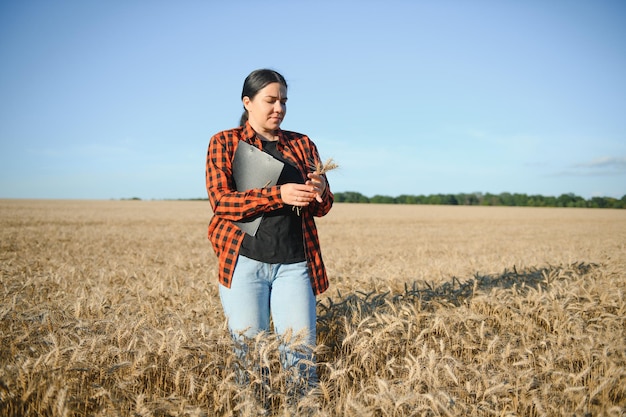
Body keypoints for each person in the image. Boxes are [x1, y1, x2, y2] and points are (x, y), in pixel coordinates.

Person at [205, 69, 333, 392]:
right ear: (247, 102)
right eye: (271, 100)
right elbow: (222, 202)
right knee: (250, 361)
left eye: (284, 101)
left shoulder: (303, 145)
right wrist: (279, 194)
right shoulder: (224, 142)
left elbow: (323, 207)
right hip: (245, 263)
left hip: (294, 265)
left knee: (300, 359)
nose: (279, 108)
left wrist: (320, 190)